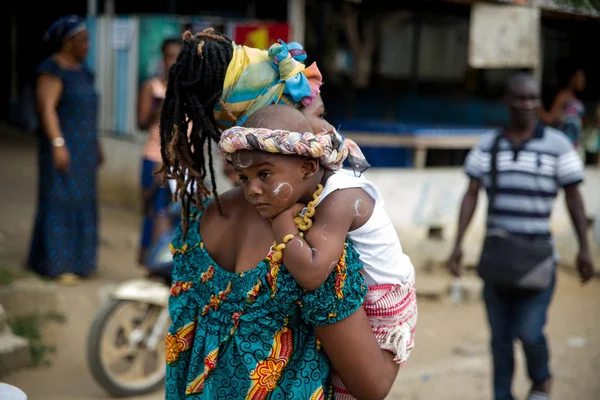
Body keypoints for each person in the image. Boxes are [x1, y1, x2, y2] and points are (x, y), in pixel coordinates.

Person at [160, 29, 405, 399]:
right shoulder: (309, 238)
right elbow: (372, 386)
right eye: (317, 117)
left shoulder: (200, 222)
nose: (327, 132)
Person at [447, 73, 595, 400]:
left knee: (529, 332)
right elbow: (471, 194)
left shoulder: (557, 145)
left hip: (539, 259)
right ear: (507, 102)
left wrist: (585, 249)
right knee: (500, 339)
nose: (528, 105)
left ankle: (541, 380)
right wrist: (457, 245)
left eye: (533, 98)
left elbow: (574, 197)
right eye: (521, 98)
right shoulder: (489, 146)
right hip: (497, 259)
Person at [28, 15, 101, 284]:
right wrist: (58, 144)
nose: (88, 46)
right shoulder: (51, 70)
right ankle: (57, 265)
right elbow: (47, 109)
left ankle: (82, 262)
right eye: (83, 41)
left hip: (85, 147)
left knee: (83, 201)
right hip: (63, 145)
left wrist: (98, 144)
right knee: (60, 199)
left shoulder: (85, 72)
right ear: (68, 43)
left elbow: (90, 111)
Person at [137, 37, 182, 266]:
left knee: (181, 218)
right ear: (162, 59)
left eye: (179, 57)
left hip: (184, 165)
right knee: (154, 214)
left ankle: (171, 267)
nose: (173, 62)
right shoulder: (152, 87)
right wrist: (159, 110)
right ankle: (150, 264)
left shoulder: (191, 92)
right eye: (169, 57)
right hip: (155, 159)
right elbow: (141, 123)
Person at [538, 59, 586, 153]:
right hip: (565, 144)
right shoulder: (563, 96)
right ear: (572, 78)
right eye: (581, 78)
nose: (583, 81)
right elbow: (549, 118)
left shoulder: (571, 96)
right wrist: (537, 106)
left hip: (574, 144)